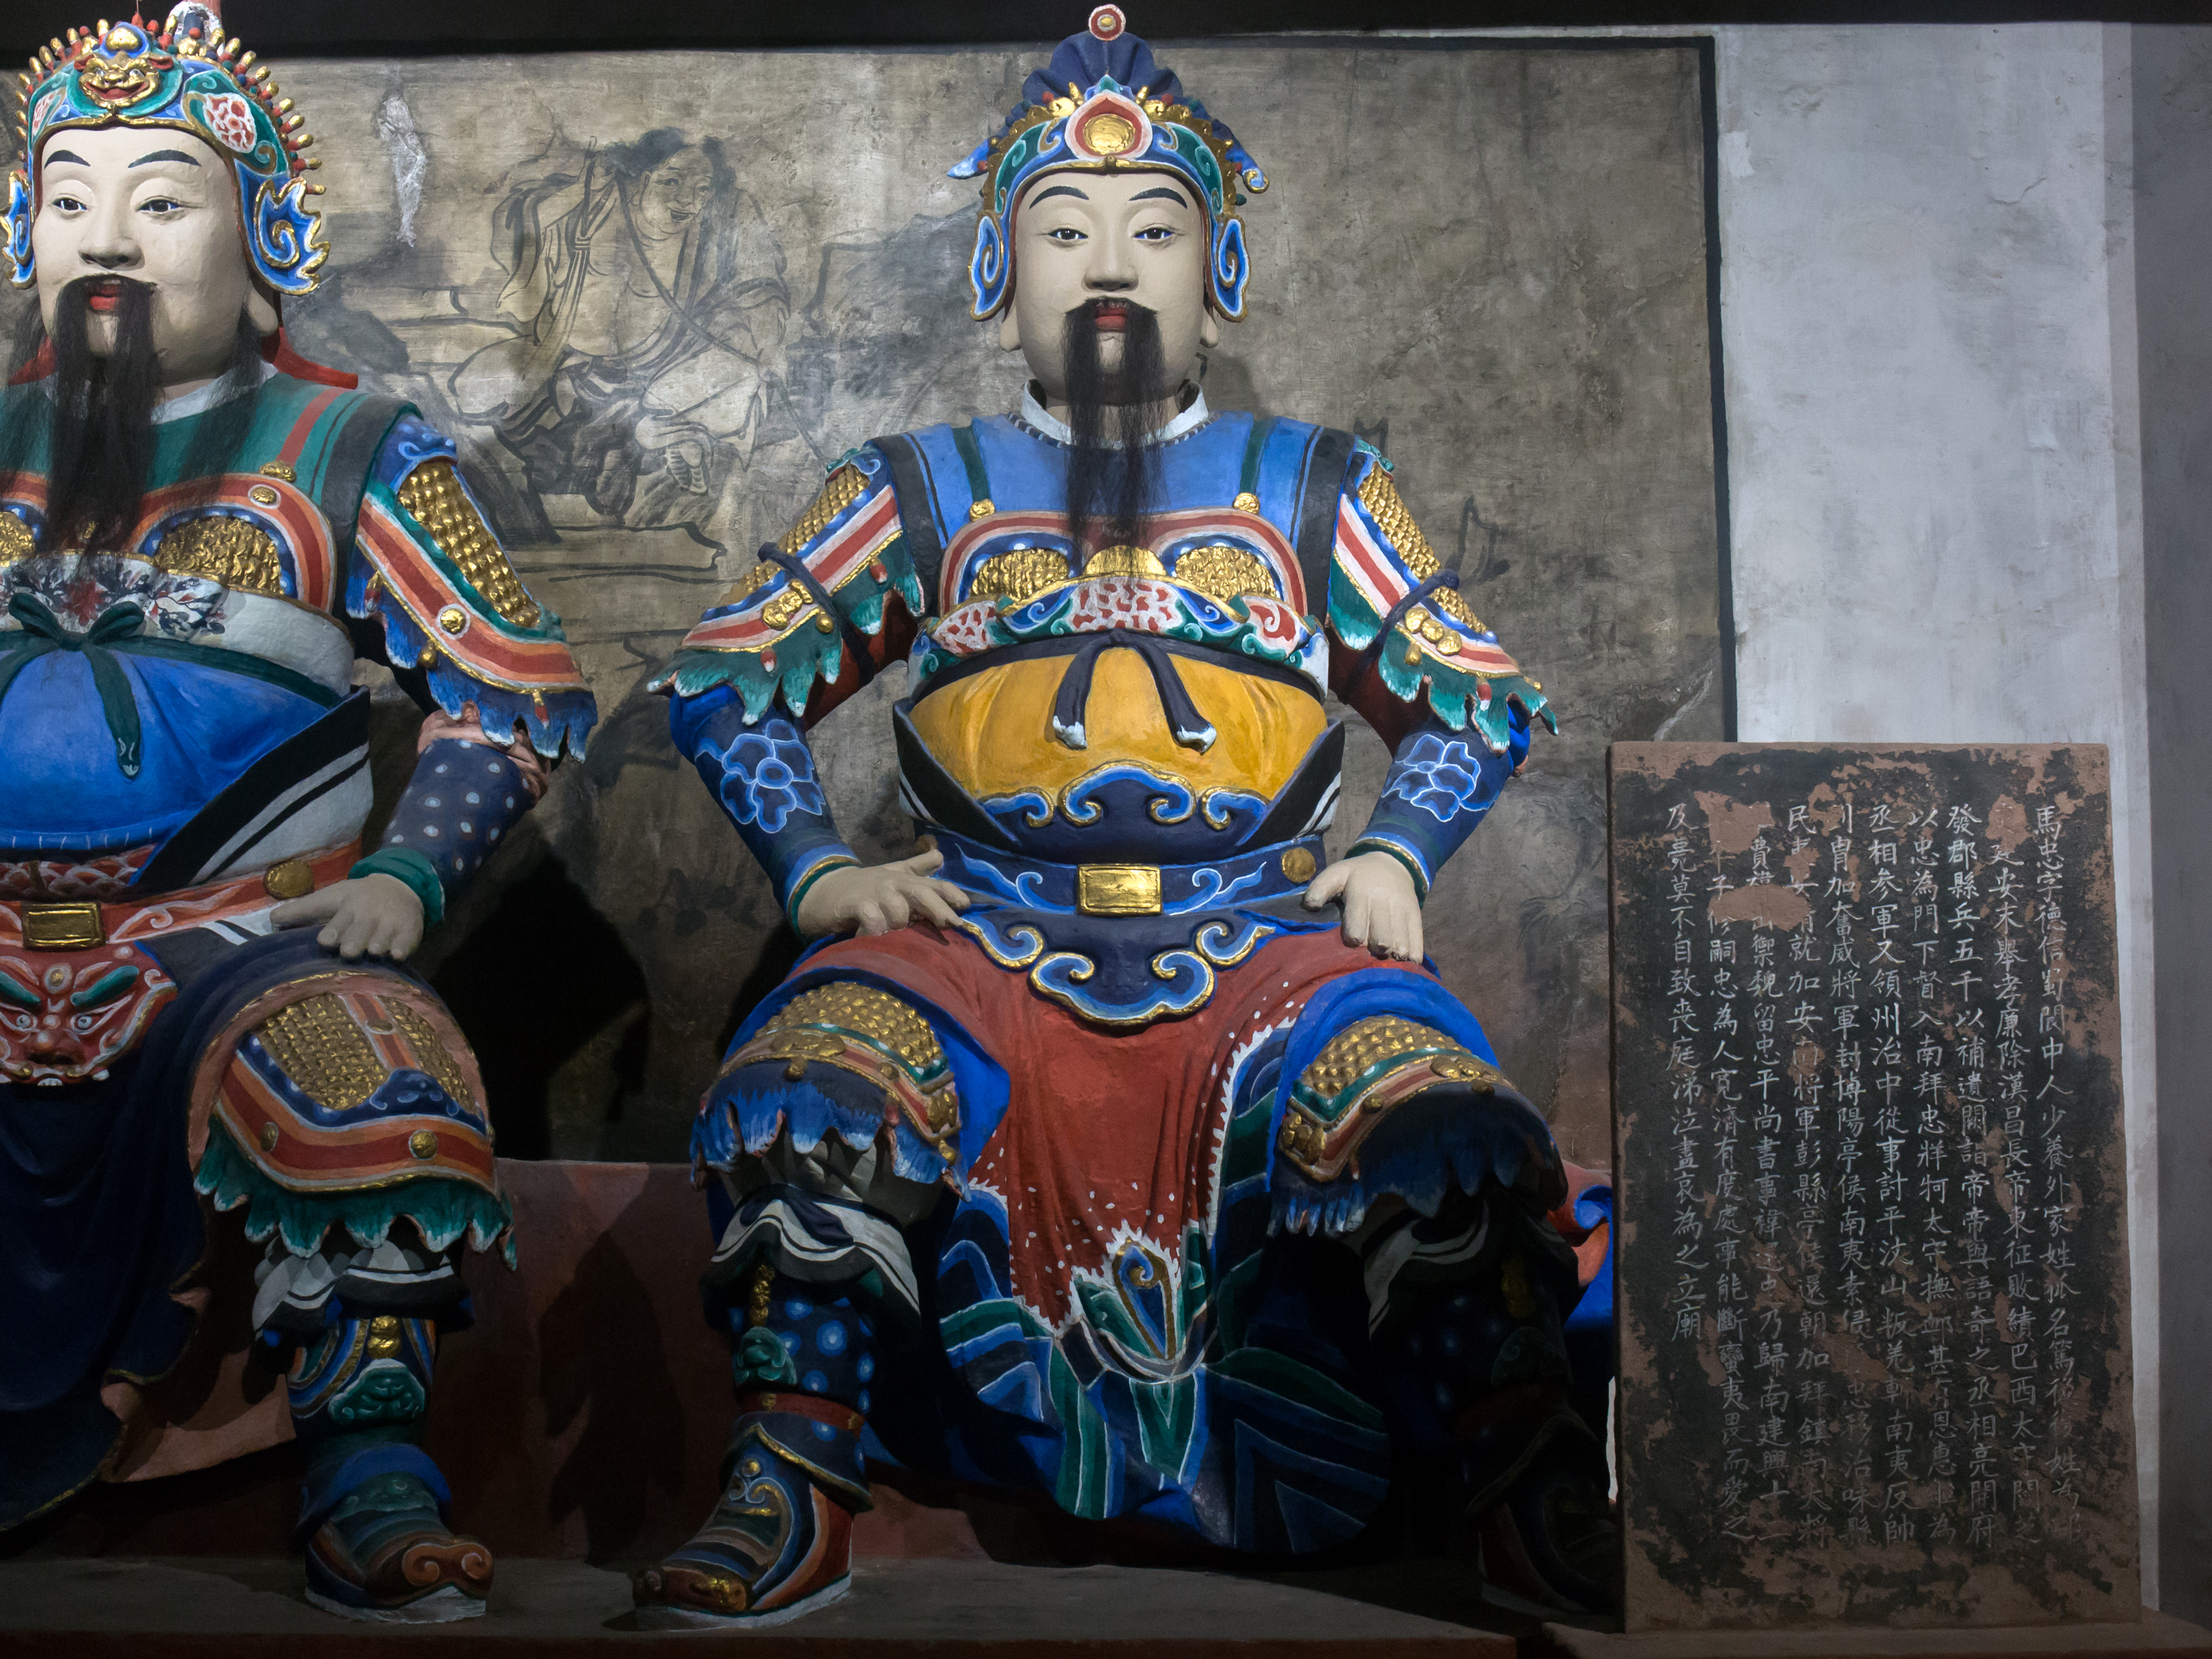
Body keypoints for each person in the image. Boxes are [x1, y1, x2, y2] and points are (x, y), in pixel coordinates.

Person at [639, 7, 1615, 1624]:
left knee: (1450, 1128)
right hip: (981, 938)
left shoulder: (1312, 486)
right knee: (808, 1093)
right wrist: (817, 871)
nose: (1110, 263)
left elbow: (1478, 698)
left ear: (1216, 275)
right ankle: (789, 1473)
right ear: (995, 273)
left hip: (1268, 947)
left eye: (1156, 228)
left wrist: (1394, 849)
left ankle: (1529, 1491)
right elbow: (726, 679)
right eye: (1064, 227)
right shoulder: (920, 487)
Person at [0, 4, 595, 1621]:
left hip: (236, 950)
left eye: (163, 194)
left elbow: (517, 689)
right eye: (68, 196)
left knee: (372, 1066)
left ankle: (368, 1467)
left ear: (262, 231)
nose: (105, 235)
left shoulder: (350, 451)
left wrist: (407, 869)